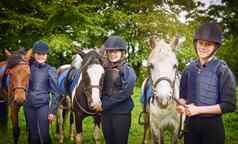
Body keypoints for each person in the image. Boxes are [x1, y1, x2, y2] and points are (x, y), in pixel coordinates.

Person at [176, 22, 236, 144]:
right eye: (200, 43)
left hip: (212, 128)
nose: (203, 47)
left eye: (208, 44)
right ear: (195, 43)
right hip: (190, 127)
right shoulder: (188, 69)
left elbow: (229, 105)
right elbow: (183, 98)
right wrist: (181, 105)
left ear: (215, 47)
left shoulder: (222, 70)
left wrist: (198, 110)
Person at [101, 36, 137, 144]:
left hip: (121, 113)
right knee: (108, 140)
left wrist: (106, 103)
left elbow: (127, 92)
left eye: (116, 51)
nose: (113, 54)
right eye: (110, 51)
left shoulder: (128, 70)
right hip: (106, 113)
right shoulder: (103, 68)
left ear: (122, 53)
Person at [24, 41, 60, 144]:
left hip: (43, 105)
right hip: (29, 105)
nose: (41, 56)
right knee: (32, 134)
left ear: (47, 55)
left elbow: (56, 93)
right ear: (34, 54)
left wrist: (52, 111)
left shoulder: (50, 70)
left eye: (43, 54)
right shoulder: (28, 68)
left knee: (44, 134)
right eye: (38, 54)